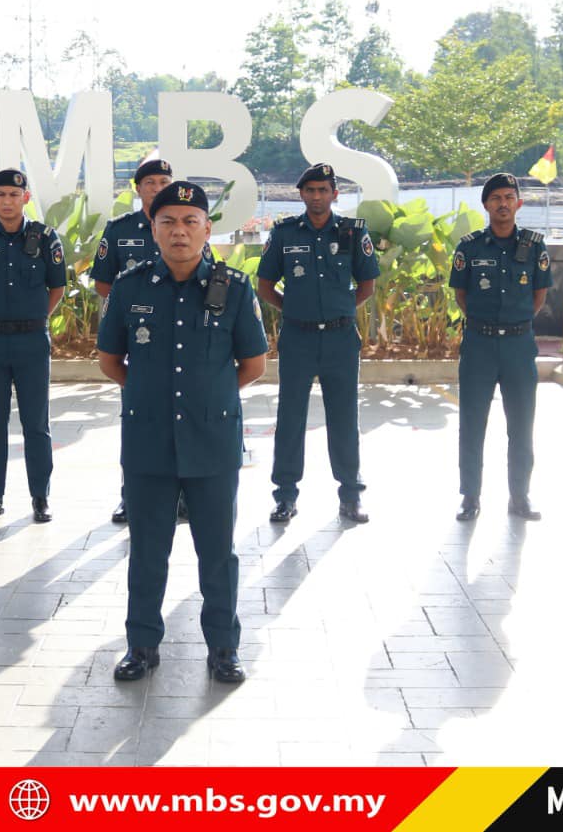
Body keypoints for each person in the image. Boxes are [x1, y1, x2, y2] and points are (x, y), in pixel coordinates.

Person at [98, 181, 267, 684]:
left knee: (217, 553)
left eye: (190, 221)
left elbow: (253, 364)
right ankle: (141, 646)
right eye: (168, 221)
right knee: (148, 550)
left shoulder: (234, 288)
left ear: (207, 229)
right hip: (148, 441)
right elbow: (110, 361)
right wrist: (151, 395)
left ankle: (223, 649)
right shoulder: (129, 288)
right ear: (152, 228)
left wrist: (206, 396)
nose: (179, 231)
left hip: (212, 441)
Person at [256, 163, 379, 524]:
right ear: (302, 195)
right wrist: (293, 310)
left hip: (340, 338)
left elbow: (367, 284)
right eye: (310, 190)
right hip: (298, 337)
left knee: (344, 418)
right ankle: (285, 496)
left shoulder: (354, 232)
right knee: (290, 418)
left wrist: (340, 310)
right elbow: (265, 286)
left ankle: (350, 496)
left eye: (323, 190)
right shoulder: (284, 233)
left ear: (334, 194)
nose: (316, 196)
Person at [0, 168, 66, 524]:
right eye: (1, 195)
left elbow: (57, 288)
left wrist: (35, 317)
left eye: (14, 195)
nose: (8, 201)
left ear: (26, 198)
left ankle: (41, 496)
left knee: (36, 424)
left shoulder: (45, 237)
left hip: (31, 341)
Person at [449, 172, 552, 522]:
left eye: (509, 197)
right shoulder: (470, 246)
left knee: (521, 425)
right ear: (486, 205)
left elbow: (539, 295)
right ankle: (470, 495)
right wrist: (485, 322)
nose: (503, 203)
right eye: (496, 198)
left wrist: (515, 322)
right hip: (479, 343)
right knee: (472, 422)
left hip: (519, 346)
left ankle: (519, 496)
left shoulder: (535, 246)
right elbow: (461, 295)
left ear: (519, 203)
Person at [94, 158, 176, 524]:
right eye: (150, 182)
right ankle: (131, 496)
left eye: (164, 181)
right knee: (136, 419)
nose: (157, 188)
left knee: (181, 420)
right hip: (138, 340)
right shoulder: (118, 230)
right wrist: (131, 308)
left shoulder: (184, 224)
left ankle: (183, 496)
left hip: (180, 335)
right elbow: (102, 281)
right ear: (137, 188)